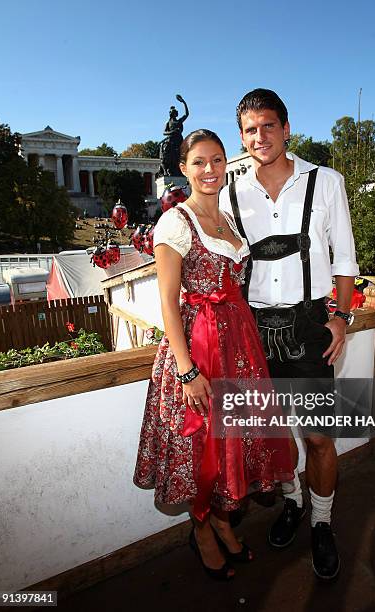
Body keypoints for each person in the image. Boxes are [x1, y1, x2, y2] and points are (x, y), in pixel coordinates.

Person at [134, 129, 293, 581]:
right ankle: (203, 529)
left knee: (233, 443)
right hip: (200, 348)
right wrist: (187, 373)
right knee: (203, 443)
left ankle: (222, 520)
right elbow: (167, 302)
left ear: (227, 165)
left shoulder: (227, 219)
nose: (209, 170)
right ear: (183, 168)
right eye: (199, 162)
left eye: (218, 160)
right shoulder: (174, 222)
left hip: (239, 346)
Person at [219, 89, 359, 580]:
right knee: (274, 434)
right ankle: (294, 504)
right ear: (242, 137)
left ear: (286, 130)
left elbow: (344, 257)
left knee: (319, 437)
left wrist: (341, 316)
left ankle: (322, 522)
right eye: (251, 130)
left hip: (309, 326)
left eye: (269, 126)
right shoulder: (230, 192)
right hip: (253, 332)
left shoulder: (327, 182)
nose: (260, 137)